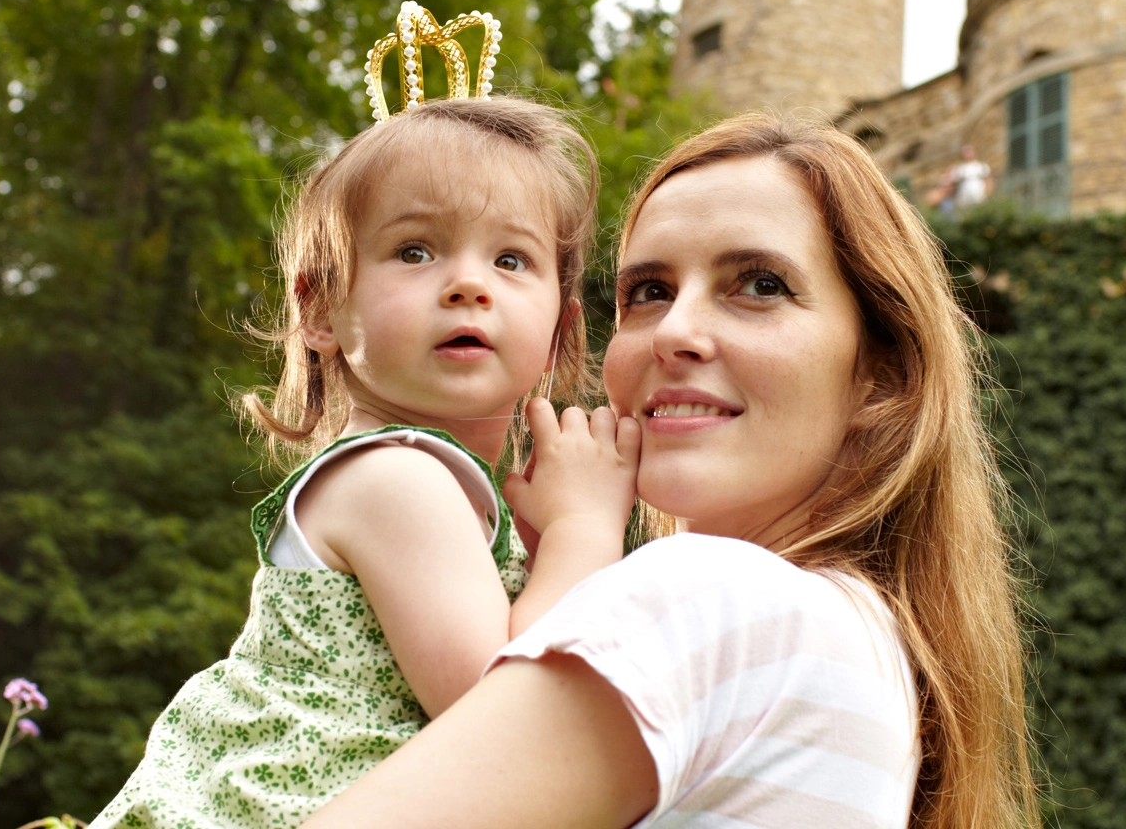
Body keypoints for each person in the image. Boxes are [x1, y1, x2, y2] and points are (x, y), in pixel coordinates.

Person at [307, 113, 1040, 829]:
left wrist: (580, 533)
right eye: (648, 293)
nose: (678, 333)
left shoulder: (715, 601)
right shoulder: (874, 657)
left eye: (760, 285)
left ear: (878, 376)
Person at [91, 34, 641, 826]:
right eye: (414, 251)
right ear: (319, 308)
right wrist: (586, 528)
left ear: (561, 328)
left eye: (512, 260)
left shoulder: (433, 488)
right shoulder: (396, 479)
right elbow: (504, 712)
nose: (468, 285)